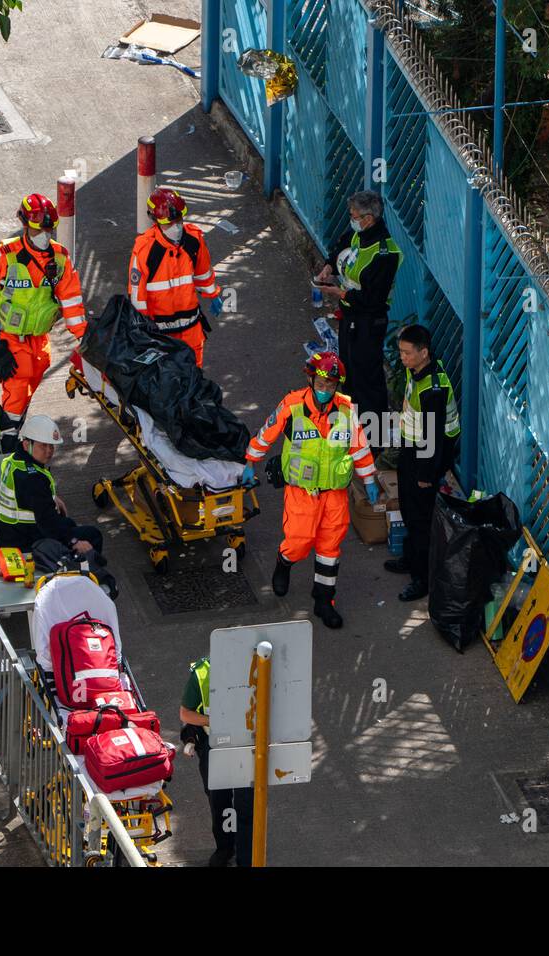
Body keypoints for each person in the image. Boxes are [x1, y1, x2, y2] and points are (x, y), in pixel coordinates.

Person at [242, 351, 379, 629]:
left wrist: (369, 479)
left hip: (334, 494)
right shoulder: (291, 405)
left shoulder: (346, 410)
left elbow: (359, 447)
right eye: (321, 384)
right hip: (302, 492)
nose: (325, 390)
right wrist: (250, 462)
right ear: (311, 379)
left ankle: (324, 600)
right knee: (299, 541)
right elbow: (266, 433)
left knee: (330, 549)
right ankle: (284, 561)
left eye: (331, 386)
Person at [0, 193, 87, 416]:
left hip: (39, 340)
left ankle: (14, 425)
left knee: (30, 386)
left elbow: (72, 301)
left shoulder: (60, 259)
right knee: (16, 390)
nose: (44, 235)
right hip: (9, 338)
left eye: (49, 230)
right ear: (25, 226)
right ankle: (9, 435)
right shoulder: (4, 255)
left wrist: (83, 336)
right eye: (39, 230)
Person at [0, 415, 115, 597]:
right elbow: (48, 522)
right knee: (91, 536)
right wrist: (75, 542)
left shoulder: (14, 461)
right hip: (28, 544)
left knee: (68, 524)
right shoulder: (33, 478)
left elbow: (30, 498)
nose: (49, 451)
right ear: (27, 444)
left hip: (12, 534)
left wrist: (51, 497)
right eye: (43, 445)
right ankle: (87, 588)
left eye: (52, 446)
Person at [385, 324, 461, 601]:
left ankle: (422, 578)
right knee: (408, 507)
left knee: (420, 520)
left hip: (426, 459)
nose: (402, 357)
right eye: (401, 352)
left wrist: (426, 475)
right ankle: (410, 557)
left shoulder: (433, 390)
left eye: (407, 353)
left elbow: (435, 438)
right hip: (412, 449)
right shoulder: (416, 371)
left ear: (424, 353)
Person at [315, 190, 402, 431]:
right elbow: (340, 247)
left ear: (368, 219)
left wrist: (338, 293)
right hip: (349, 316)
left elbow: (372, 298)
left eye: (354, 216)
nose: (351, 219)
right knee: (348, 371)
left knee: (367, 377)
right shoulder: (357, 235)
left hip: (368, 320)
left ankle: (375, 435)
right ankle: (353, 424)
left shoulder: (385, 253)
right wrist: (328, 267)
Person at [128, 187, 223, 368]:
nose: (176, 226)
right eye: (169, 223)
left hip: (191, 329)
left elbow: (203, 272)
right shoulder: (145, 250)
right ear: (156, 221)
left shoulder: (194, 240)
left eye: (179, 220)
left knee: (194, 379)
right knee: (167, 383)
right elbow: (137, 298)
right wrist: (143, 332)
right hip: (161, 334)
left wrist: (213, 294)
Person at [179, 657, 254, 867]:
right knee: (219, 800)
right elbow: (185, 713)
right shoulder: (202, 674)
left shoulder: (259, 667)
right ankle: (225, 848)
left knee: (245, 803)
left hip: (247, 744)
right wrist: (217, 720)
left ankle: (245, 856)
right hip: (214, 744)